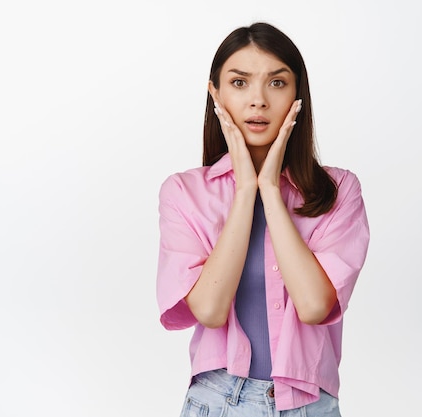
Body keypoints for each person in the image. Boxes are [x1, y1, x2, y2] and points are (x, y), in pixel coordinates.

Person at [157, 22, 369, 416]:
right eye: (239, 83)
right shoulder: (184, 193)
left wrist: (270, 188)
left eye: (276, 83)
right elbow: (209, 309)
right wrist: (244, 191)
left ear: (297, 95)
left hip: (309, 405)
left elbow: (313, 306)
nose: (258, 100)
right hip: (216, 401)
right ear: (215, 93)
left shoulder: (339, 190)